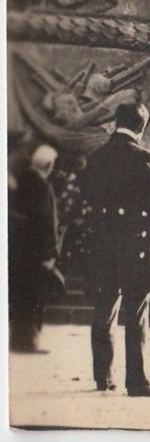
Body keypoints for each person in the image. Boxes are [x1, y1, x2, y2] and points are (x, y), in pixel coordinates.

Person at [81, 103, 150, 397]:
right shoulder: (145, 157)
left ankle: (103, 377)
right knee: (136, 310)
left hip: (103, 243)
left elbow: (86, 196)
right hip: (136, 245)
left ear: (117, 122)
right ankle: (136, 381)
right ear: (142, 127)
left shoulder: (97, 157)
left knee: (104, 306)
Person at [9, 144, 63, 352]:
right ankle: (29, 342)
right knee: (35, 298)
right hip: (36, 253)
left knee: (21, 297)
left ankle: (18, 340)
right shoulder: (41, 186)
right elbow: (46, 223)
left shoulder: (20, 182)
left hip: (19, 251)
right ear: (48, 165)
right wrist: (50, 252)